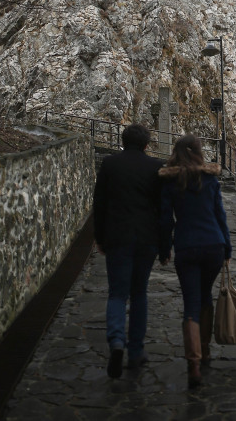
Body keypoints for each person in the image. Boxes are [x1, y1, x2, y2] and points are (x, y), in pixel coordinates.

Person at [159, 134, 232, 388]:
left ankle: (194, 363)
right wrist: (228, 249)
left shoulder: (170, 182)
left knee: (191, 302)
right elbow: (220, 216)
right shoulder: (210, 180)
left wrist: (164, 248)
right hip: (213, 245)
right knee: (205, 296)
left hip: (187, 246)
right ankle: (206, 349)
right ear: (199, 152)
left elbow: (166, 219)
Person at [93, 123, 163, 379]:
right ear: (146, 145)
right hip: (146, 238)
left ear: (123, 141)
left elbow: (99, 203)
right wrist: (165, 243)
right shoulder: (155, 167)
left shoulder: (110, 164)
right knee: (139, 293)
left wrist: (99, 236)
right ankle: (135, 351)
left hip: (117, 237)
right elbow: (162, 208)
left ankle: (116, 342)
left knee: (117, 293)